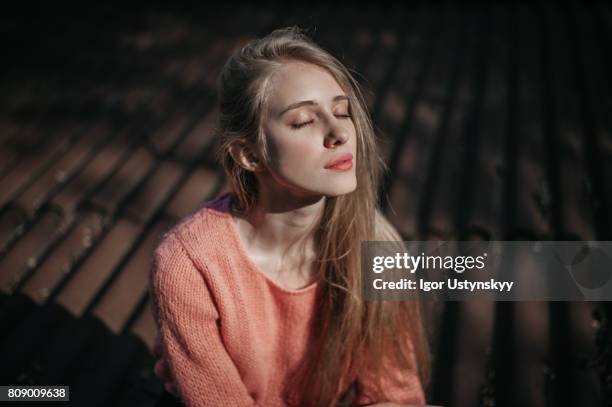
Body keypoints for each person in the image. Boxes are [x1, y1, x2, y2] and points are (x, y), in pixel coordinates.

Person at [149, 26, 433, 407]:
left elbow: (394, 396)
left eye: (341, 111)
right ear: (249, 155)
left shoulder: (377, 249)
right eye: (303, 121)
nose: (338, 133)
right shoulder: (188, 264)